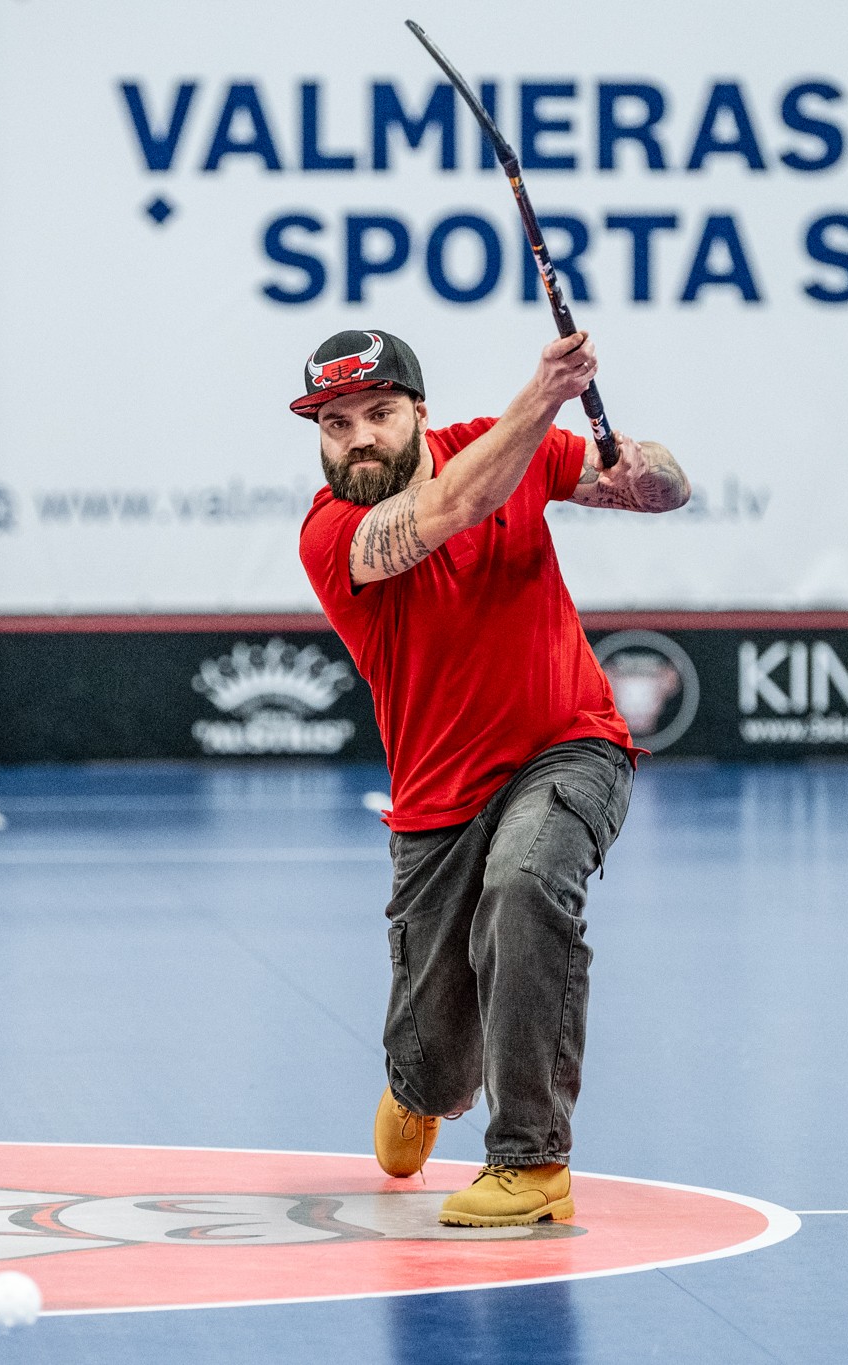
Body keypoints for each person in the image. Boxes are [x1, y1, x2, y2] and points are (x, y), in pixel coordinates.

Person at [292, 327, 692, 1226]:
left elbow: (666, 485)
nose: (357, 438)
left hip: (570, 743)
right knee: (433, 1062)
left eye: (378, 413)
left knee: (526, 883)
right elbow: (452, 508)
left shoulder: (497, 444)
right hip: (437, 801)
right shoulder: (332, 533)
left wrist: (644, 472)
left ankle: (530, 1160)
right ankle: (421, 1087)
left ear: (419, 412)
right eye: (335, 423)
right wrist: (544, 395)